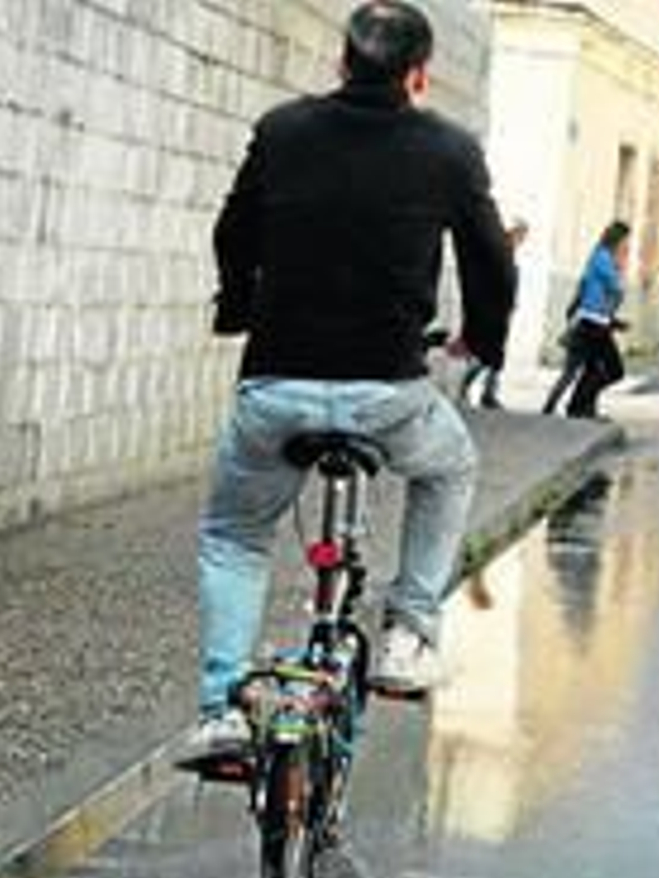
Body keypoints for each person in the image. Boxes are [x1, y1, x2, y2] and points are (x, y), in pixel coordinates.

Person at [189, 1, 516, 760]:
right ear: (419, 76)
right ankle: (406, 632)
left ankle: (222, 711)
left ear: (341, 63)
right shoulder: (450, 150)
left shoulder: (281, 131)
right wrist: (483, 342)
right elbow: (492, 261)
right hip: (389, 395)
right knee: (452, 467)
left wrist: (237, 307)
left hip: (276, 390)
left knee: (236, 535)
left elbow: (232, 231)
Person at [542, 221, 630, 419]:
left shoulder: (604, 258)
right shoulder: (601, 257)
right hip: (591, 323)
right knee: (612, 369)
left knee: (592, 370)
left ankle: (581, 408)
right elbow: (615, 289)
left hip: (597, 322)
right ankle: (576, 407)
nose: (627, 246)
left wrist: (614, 321)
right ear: (617, 239)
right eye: (625, 241)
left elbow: (610, 296)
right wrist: (620, 267)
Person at [459, 217, 529, 409]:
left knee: (496, 357)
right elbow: (497, 280)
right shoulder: (501, 250)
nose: (522, 239)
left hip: (502, 310)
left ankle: (488, 393)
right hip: (495, 311)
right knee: (487, 356)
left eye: (523, 236)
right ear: (514, 232)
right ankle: (465, 386)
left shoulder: (508, 251)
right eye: (520, 234)